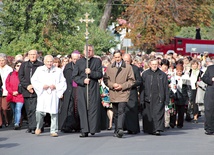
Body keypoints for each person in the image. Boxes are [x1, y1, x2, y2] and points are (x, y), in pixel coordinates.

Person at [31, 55, 66, 137]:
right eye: (48, 61)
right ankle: (38, 127)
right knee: (39, 111)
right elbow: (34, 80)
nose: (50, 63)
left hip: (53, 93)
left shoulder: (58, 71)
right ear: (44, 62)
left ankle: (53, 130)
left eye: (51, 62)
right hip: (43, 93)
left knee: (54, 112)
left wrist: (56, 86)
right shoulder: (39, 70)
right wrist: (41, 86)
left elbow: (63, 82)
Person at [72, 45, 103, 137]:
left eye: (90, 50)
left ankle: (93, 128)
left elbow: (100, 74)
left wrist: (91, 73)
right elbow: (74, 76)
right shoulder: (79, 62)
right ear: (83, 51)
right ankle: (84, 130)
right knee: (83, 109)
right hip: (82, 88)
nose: (88, 52)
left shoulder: (97, 61)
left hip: (93, 87)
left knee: (93, 108)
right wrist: (82, 80)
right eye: (87, 50)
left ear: (93, 51)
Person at [103, 51, 135, 138]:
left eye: (118, 57)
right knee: (116, 112)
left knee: (121, 110)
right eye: (115, 57)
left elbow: (132, 80)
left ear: (121, 57)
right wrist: (112, 85)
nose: (117, 59)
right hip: (113, 92)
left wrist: (122, 86)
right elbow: (105, 79)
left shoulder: (128, 67)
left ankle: (120, 129)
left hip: (123, 92)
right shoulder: (110, 67)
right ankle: (116, 129)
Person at [140, 58, 169, 136]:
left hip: (159, 98)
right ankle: (150, 129)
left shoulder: (162, 75)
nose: (154, 66)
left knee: (158, 114)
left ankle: (157, 129)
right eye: (153, 64)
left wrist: (167, 100)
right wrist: (141, 99)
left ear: (158, 65)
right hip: (148, 98)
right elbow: (142, 88)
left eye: (156, 64)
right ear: (150, 65)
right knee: (149, 114)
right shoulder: (145, 74)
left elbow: (166, 88)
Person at [18, 50, 43, 134]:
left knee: (36, 109)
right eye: (31, 54)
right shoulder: (24, 65)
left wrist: (35, 86)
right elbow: (20, 77)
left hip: (37, 91)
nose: (33, 56)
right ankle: (31, 126)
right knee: (29, 109)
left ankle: (36, 126)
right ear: (28, 55)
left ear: (37, 55)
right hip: (26, 91)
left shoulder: (41, 65)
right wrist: (27, 86)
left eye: (34, 54)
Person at [58, 50, 81, 133]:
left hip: (79, 89)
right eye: (74, 59)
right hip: (69, 89)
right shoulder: (67, 66)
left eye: (77, 59)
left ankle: (79, 126)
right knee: (69, 108)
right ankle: (68, 125)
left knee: (78, 108)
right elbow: (63, 79)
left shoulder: (83, 65)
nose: (75, 61)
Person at [122, 53, 141, 134]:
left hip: (131, 92)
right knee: (123, 110)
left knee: (132, 110)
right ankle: (124, 127)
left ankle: (133, 128)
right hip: (121, 92)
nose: (126, 62)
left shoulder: (135, 69)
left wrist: (130, 84)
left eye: (128, 61)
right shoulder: (119, 68)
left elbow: (139, 81)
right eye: (124, 61)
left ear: (131, 61)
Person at [6, 60, 24, 130]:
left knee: (18, 109)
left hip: (20, 95)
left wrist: (18, 92)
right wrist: (12, 92)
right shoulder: (10, 74)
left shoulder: (24, 75)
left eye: (20, 66)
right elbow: (7, 84)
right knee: (14, 110)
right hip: (12, 95)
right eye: (17, 66)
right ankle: (16, 121)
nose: (19, 67)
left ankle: (17, 123)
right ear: (15, 66)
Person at [0, 53, 13, 128]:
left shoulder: (9, 69)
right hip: (0, 90)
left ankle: (7, 120)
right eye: (0, 60)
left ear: (5, 61)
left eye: (3, 60)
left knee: (5, 108)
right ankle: (1, 122)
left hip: (6, 90)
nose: (1, 62)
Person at [201, 64, 214, 135]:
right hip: (211, 92)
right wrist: (211, 79)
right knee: (209, 110)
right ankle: (209, 128)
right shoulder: (210, 68)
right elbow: (204, 78)